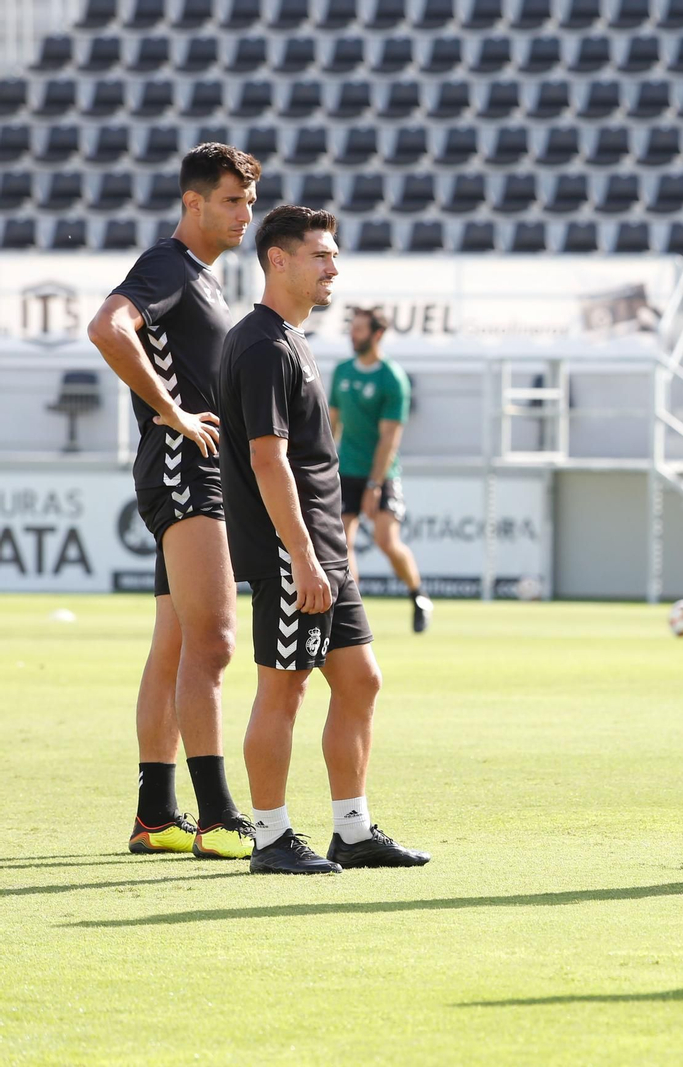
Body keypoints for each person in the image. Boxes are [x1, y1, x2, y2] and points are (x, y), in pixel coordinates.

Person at [216, 205, 429, 874]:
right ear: (279, 260)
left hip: (323, 547)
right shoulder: (261, 345)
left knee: (361, 679)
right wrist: (304, 555)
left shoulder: (291, 339)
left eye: (333, 256)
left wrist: (328, 552)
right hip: (292, 550)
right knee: (284, 690)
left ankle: (353, 830)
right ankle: (273, 838)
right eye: (321, 255)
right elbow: (268, 459)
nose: (333, 266)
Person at [87, 143, 260, 860]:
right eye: (232, 201)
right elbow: (107, 327)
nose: (245, 214)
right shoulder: (168, 267)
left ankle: (157, 812)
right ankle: (218, 815)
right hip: (186, 468)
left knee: (177, 643)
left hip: (190, 469)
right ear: (193, 203)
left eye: (249, 202)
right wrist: (173, 412)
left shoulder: (206, 280)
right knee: (215, 640)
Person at [328, 307, 432, 633]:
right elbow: (331, 424)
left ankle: (418, 595)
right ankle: (351, 612)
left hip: (381, 474)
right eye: (351, 328)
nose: (352, 334)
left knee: (387, 542)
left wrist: (375, 484)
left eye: (359, 329)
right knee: (341, 544)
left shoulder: (392, 378)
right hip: (346, 472)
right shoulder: (342, 371)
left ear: (377, 334)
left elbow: (389, 439)